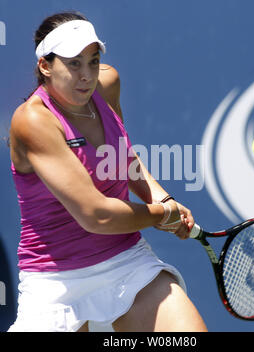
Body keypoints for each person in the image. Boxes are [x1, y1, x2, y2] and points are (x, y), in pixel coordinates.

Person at [7, 11, 207, 332]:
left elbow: (122, 159)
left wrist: (163, 198)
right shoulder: (33, 121)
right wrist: (160, 214)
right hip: (56, 284)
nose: (86, 75)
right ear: (46, 65)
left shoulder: (106, 83)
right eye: (73, 63)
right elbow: (96, 215)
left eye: (93, 60)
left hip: (126, 262)